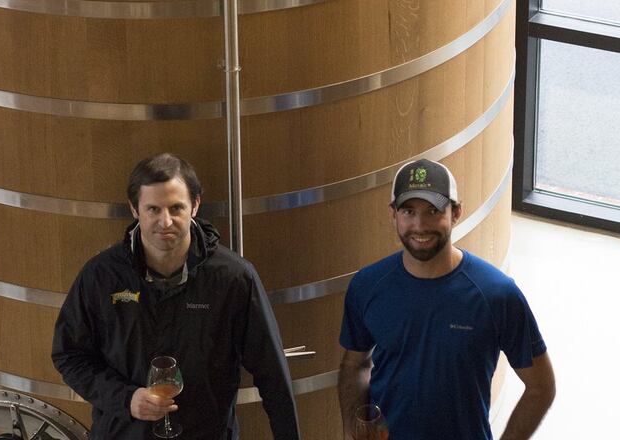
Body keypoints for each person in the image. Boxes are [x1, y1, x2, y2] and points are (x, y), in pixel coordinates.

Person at [52, 153, 300, 440]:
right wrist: (125, 398)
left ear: (195, 205)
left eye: (176, 208)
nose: (165, 221)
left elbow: (273, 375)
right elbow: (69, 355)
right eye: (153, 209)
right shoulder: (101, 275)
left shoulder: (234, 278)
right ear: (134, 209)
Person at [337, 159, 555, 440]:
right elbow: (354, 365)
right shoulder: (367, 285)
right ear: (393, 214)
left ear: (456, 213)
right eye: (408, 211)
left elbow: (541, 387)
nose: (420, 225)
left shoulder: (496, 295)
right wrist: (352, 432)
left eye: (433, 211)